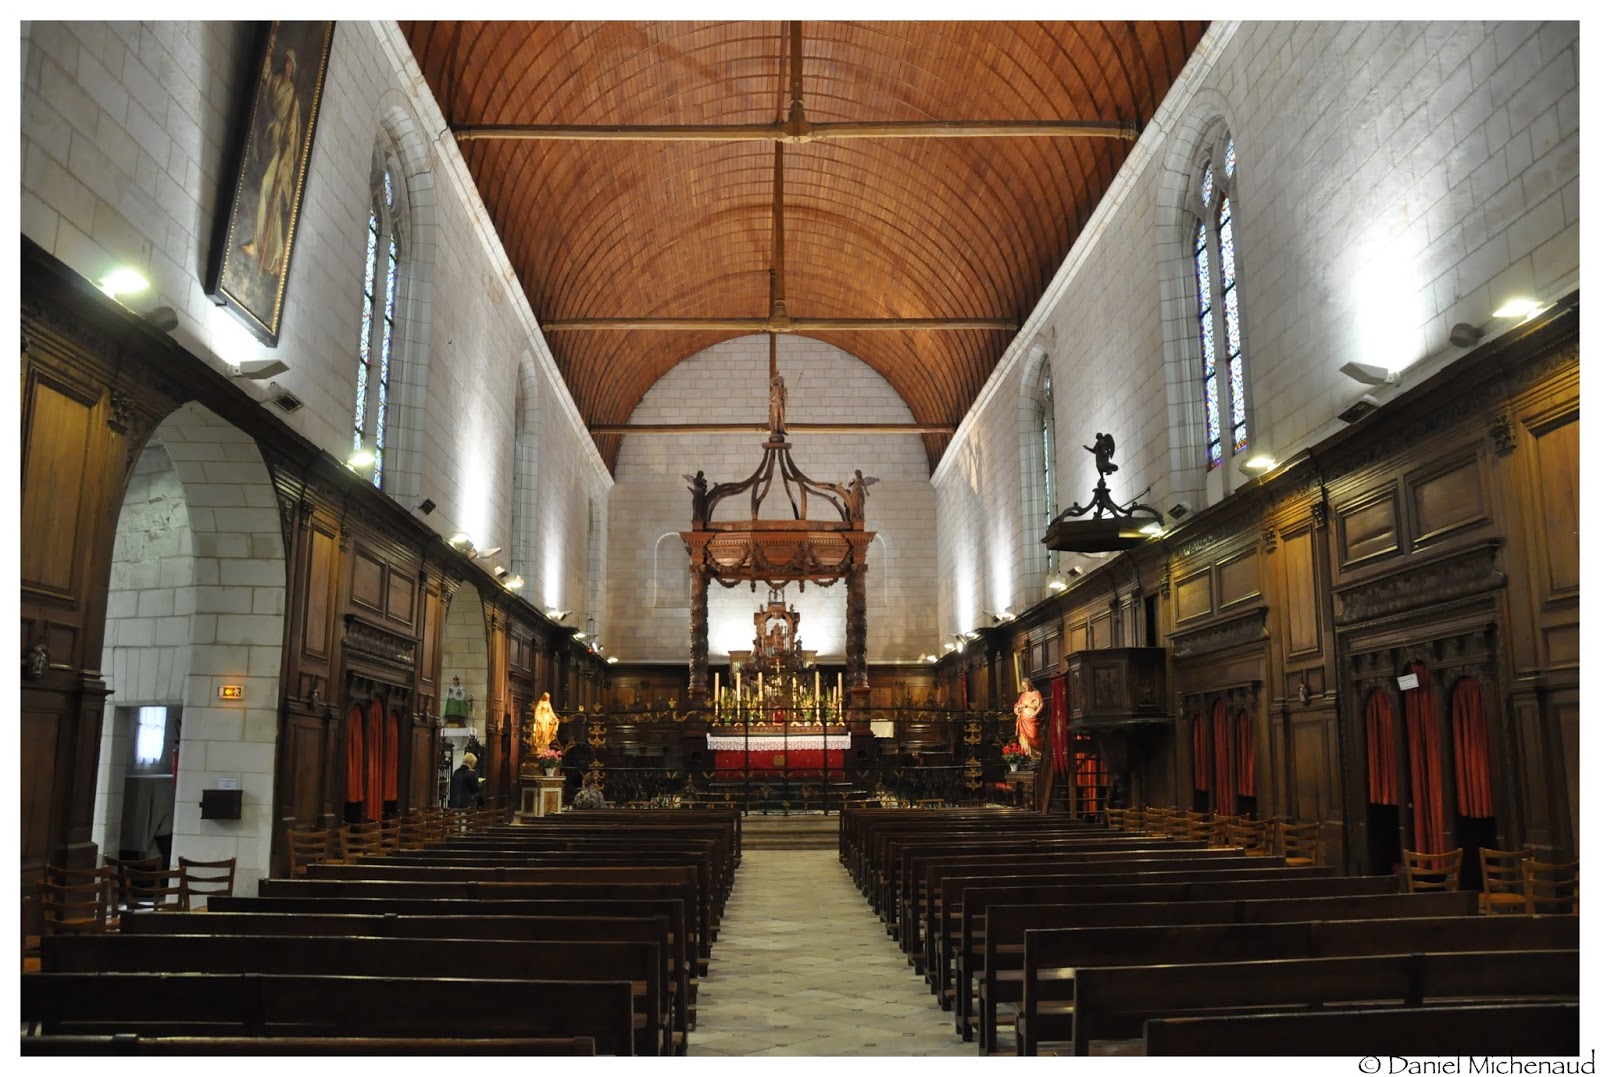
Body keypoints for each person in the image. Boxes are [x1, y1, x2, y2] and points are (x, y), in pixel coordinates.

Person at [239, 47, 302, 279]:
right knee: (269, 198)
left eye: (290, 64)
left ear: (293, 69)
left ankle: (260, 245)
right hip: (270, 140)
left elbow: (293, 132)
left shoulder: (293, 95)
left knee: (268, 186)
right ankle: (274, 256)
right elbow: (265, 87)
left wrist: (286, 156)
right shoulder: (275, 81)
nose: (287, 66)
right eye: (285, 62)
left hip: (282, 151)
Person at [1013, 678, 1044, 757]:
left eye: (1026, 685)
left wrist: (1034, 712)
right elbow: (1018, 705)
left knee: (1033, 735)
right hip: (1023, 718)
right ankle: (1028, 754)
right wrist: (1017, 708)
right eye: (1023, 686)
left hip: (1032, 718)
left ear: (1030, 684)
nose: (1025, 687)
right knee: (1024, 738)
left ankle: (1037, 754)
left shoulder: (1036, 693)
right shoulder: (1023, 695)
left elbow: (1040, 705)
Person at [531, 691, 559, 758]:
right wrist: (537, 718)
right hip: (541, 719)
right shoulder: (540, 703)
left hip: (547, 719)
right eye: (547, 697)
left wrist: (555, 718)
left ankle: (545, 743)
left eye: (548, 697)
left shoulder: (548, 704)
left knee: (546, 732)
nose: (548, 698)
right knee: (542, 730)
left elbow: (551, 712)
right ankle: (539, 743)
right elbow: (537, 711)